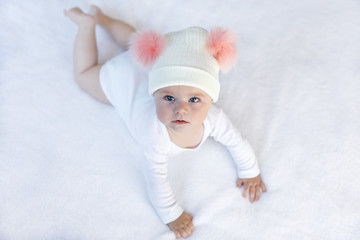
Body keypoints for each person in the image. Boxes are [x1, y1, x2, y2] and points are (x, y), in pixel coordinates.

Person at [64, 5, 266, 239]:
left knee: (136, 42)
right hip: (126, 82)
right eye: (168, 98)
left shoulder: (214, 119)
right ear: (155, 95)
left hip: (156, 65)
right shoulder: (156, 136)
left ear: (211, 99)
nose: (181, 108)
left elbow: (236, 141)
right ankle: (88, 25)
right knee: (86, 74)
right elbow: (156, 179)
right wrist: (172, 214)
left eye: (194, 99)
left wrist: (250, 170)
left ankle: (104, 19)